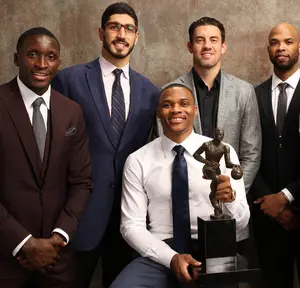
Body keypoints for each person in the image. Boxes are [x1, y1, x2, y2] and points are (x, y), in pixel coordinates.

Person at [51, 2, 159, 287]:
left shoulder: (150, 91)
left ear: (136, 36)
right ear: (101, 32)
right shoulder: (68, 81)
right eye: (114, 27)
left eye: (129, 29)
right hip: (79, 214)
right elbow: (53, 151)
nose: (121, 34)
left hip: (129, 218)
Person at [111, 84, 250, 288]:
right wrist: (172, 258)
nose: (176, 109)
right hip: (160, 252)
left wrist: (229, 201)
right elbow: (131, 226)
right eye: (167, 105)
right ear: (159, 112)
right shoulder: (138, 160)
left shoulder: (222, 152)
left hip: (213, 251)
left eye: (183, 104)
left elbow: (241, 222)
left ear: (195, 110)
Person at [0, 27, 92, 287]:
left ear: (59, 61)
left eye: (51, 56)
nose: (42, 64)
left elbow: (82, 182)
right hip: (6, 258)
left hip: (57, 258)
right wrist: (23, 243)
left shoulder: (71, 111)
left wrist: (58, 237)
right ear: (17, 58)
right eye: (33, 54)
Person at [251, 23, 300, 288]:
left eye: (288, 41)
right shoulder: (254, 95)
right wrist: (270, 203)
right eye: (274, 42)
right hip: (266, 215)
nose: (281, 47)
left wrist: (287, 197)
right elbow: (247, 153)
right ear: (268, 48)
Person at [164, 16, 261, 193]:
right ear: (190, 47)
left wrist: (231, 194)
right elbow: (164, 150)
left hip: (230, 201)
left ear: (223, 46)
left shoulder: (244, 92)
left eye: (213, 40)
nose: (207, 45)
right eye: (200, 40)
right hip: (183, 198)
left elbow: (251, 154)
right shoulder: (169, 92)